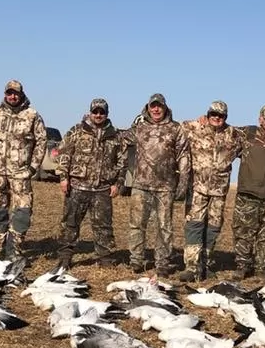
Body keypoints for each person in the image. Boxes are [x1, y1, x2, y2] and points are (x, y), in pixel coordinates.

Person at [0, 79, 47, 260]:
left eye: (16, 93)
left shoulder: (32, 115)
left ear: (21, 94)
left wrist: (32, 168)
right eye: (9, 93)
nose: (12, 96)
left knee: (23, 210)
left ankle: (14, 248)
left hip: (20, 174)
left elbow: (41, 142)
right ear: (5, 93)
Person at [56, 98, 127, 268]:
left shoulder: (116, 136)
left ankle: (105, 258)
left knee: (103, 225)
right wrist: (63, 178)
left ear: (107, 114)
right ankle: (65, 257)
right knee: (70, 222)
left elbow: (122, 162)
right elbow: (64, 153)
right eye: (95, 111)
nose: (98, 115)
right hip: (78, 186)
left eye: (102, 112)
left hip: (102, 188)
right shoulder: (77, 131)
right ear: (90, 112)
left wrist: (118, 183)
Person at [125, 93, 190, 276]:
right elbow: (120, 139)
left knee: (164, 226)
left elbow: (183, 155)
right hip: (141, 185)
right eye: (153, 106)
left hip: (165, 187)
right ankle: (136, 260)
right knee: (137, 224)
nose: (156, 109)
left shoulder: (175, 129)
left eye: (159, 106)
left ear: (165, 108)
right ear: (147, 107)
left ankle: (162, 262)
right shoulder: (139, 127)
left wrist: (183, 182)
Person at [179, 101, 245, 282]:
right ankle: (192, 266)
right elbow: (169, 128)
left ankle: (206, 264)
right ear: (207, 114)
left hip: (219, 191)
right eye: (213, 114)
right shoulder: (192, 127)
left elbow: (257, 135)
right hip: (197, 188)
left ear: (226, 117)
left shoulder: (234, 135)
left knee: (214, 227)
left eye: (221, 115)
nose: (216, 118)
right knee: (194, 225)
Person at [230, 105, 265, 280]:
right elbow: (223, 129)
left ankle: (262, 269)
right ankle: (242, 266)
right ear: (260, 119)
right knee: (243, 232)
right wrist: (204, 119)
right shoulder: (246, 133)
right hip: (247, 194)